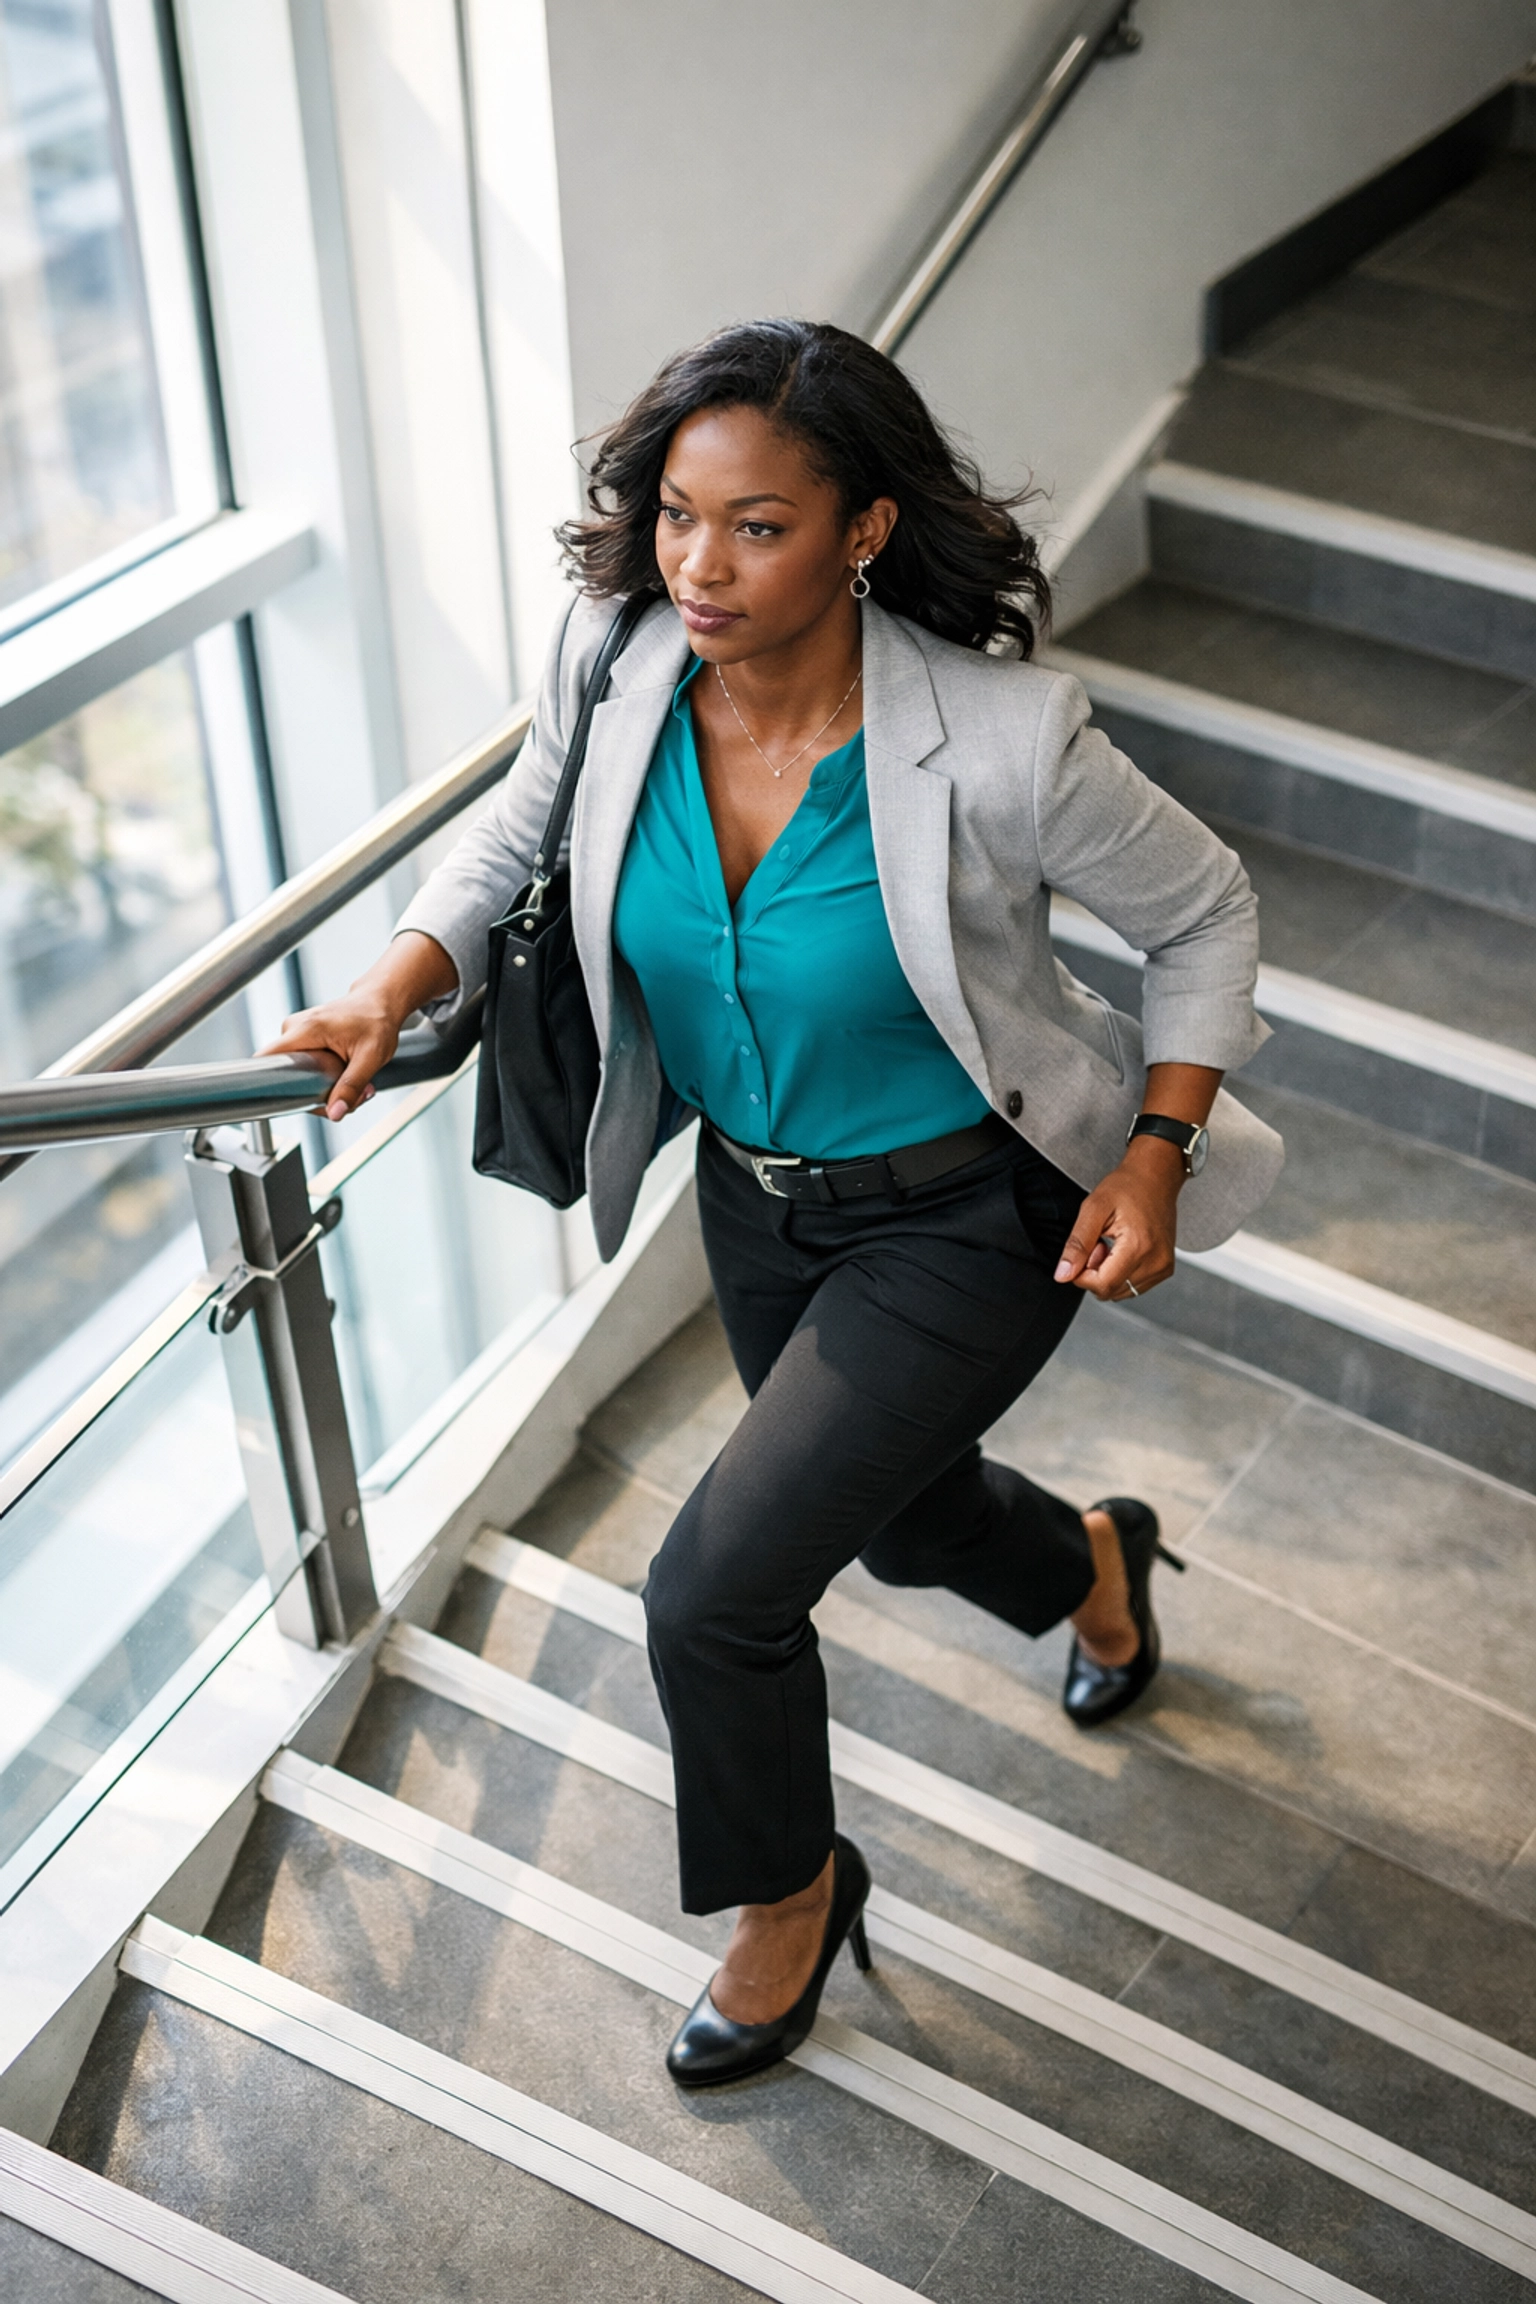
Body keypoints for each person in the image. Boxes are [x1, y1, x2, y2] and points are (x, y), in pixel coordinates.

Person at [268, 319, 1282, 2091]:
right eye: (676, 515)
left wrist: (1153, 1150)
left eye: (756, 527)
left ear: (864, 531)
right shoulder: (618, 656)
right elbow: (521, 830)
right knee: (898, 1522)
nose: (698, 565)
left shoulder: (1003, 739)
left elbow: (1203, 915)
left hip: (971, 1216)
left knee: (713, 1594)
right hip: (755, 1200)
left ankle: (790, 1898)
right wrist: (391, 977)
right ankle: (1098, 1564)